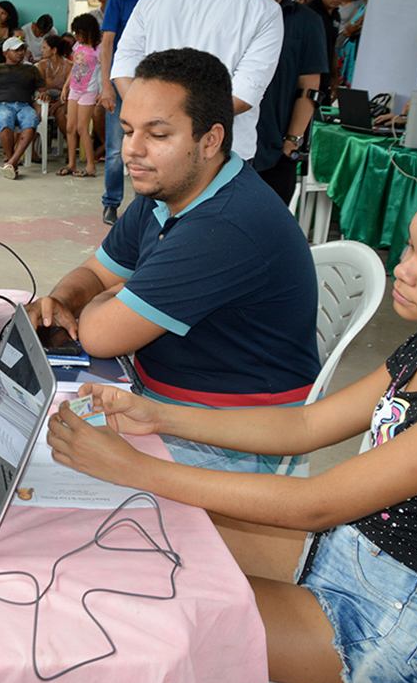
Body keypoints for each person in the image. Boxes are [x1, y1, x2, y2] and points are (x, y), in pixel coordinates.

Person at [46, 166, 417, 683]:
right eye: (410, 249)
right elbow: (307, 424)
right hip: (345, 556)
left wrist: (134, 467)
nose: (404, 271)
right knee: (130, 529)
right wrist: (159, 416)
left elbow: (315, 504)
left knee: (130, 601)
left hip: (379, 629)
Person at [27, 48, 318, 474]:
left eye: (157, 135)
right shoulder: (169, 187)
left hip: (233, 433)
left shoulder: (222, 225)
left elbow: (99, 337)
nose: (133, 151)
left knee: (51, 483)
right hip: (161, 396)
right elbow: (95, 272)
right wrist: (64, 299)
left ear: (211, 139)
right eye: (127, 130)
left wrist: (114, 296)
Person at [111, 0, 283, 167]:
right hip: (220, 156)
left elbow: (123, 68)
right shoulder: (264, 9)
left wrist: (157, 123)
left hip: (156, 152)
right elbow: (244, 95)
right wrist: (181, 126)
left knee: (157, 208)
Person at [251, 0, 327, 205]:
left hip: (274, 152)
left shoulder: (306, 23)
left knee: (266, 232)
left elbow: (310, 87)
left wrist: (291, 143)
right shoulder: (232, 10)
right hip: (222, 147)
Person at [98, 0, 170, 225]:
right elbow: (107, 44)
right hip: (121, 82)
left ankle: (149, 207)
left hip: (154, 83)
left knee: (155, 145)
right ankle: (111, 203)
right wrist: (106, 85)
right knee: (117, 149)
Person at [0, 36, 47, 179]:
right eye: (16, 50)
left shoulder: (32, 70)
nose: (21, 52)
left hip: (25, 105)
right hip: (2, 105)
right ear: (6, 53)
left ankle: (11, 162)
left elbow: (43, 90)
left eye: (22, 50)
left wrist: (44, 95)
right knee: (5, 119)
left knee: (32, 119)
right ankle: (12, 160)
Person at [60, 13, 102, 179]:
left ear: (89, 31)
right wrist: (65, 87)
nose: (76, 36)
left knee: (82, 128)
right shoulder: (78, 46)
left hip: (89, 91)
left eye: (78, 32)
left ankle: (90, 166)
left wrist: (103, 90)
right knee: (70, 128)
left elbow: (105, 69)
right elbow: (75, 67)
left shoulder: (98, 49)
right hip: (74, 90)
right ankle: (71, 164)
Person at [304, 0, 354, 93]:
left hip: (325, 80)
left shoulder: (336, 14)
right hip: (306, 79)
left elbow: (331, 47)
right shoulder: (308, 12)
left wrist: (335, 79)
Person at [335, 0, 377, 88]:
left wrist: (355, 27)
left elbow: (354, 29)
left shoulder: (372, 7)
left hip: (357, 51)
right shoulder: (361, 7)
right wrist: (355, 27)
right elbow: (347, 30)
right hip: (347, 48)